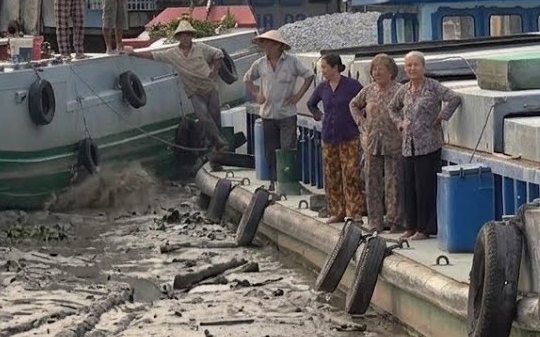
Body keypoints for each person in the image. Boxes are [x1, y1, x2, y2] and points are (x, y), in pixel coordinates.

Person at [388, 51, 461, 241]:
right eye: (409, 65)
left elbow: (454, 99)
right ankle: (410, 226)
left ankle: (424, 228)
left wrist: (442, 117)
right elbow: (392, 108)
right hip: (408, 145)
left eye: (415, 65)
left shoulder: (433, 87)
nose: (412, 68)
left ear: (423, 67)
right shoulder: (404, 90)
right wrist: (399, 123)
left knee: (424, 188)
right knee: (408, 187)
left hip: (428, 145)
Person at [128, 19, 227, 153]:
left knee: (215, 117)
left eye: (188, 35)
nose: (185, 38)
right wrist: (134, 53)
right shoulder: (172, 53)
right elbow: (153, 55)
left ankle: (213, 146)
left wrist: (214, 72)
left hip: (210, 87)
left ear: (191, 36)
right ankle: (220, 143)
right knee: (203, 117)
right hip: (194, 91)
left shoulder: (201, 48)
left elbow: (218, 54)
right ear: (178, 37)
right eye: (182, 35)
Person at [244, 30, 315, 185]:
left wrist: (297, 96)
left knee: (287, 148)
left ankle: (287, 182)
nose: (264, 47)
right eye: (263, 44)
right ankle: (274, 181)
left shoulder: (292, 62)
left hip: (287, 114)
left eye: (267, 43)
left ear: (277, 45)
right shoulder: (260, 64)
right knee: (270, 151)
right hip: (268, 114)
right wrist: (256, 94)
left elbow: (309, 76)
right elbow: (247, 79)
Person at [306, 54, 365, 225]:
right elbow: (311, 103)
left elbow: (364, 102)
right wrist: (319, 116)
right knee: (332, 174)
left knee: (351, 173)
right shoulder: (323, 87)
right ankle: (337, 210)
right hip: (329, 137)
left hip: (349, 135)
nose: (322, 71)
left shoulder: (352, 86)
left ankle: (355, 212)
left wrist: (361, 120)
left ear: (334, 67)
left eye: (324, 67)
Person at [350, 53, 405, 233]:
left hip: (393, 142)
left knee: (393, 183)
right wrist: (361, 121)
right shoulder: (368, 90)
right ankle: (375, 222)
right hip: (372, 142)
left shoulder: (400, 90)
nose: (377, 72)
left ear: (391, 72)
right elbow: (354, 105)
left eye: (381, 69)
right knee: (371, 182)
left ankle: (394, 220)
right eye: (374, 69)